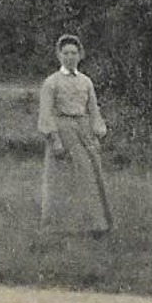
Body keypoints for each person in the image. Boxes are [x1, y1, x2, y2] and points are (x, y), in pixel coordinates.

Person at [36, 35, 114, 235]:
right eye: (66, 53)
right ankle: (60, 227)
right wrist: (55, 140)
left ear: (80, 55)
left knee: (88, 177)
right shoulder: (51, 82)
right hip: (62, 131)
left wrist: (97, 134)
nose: (70, 57)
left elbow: (93, 110)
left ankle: (94, 225)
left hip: (84, 130)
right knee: (63, 179)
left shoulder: (86, 81)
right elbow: (46, 113)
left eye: (73, 53)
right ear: (59, 55)